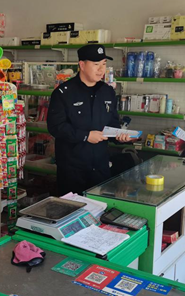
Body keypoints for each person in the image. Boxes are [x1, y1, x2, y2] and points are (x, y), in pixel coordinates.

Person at [47, 44, 132, 195]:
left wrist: (120, 136)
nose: (101, 69)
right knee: (72, 208)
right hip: (72, 169)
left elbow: (112, 122)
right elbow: (56, 126)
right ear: (82, 65)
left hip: (100, 167)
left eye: (104, 64)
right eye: (96, 64)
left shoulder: (107, 92)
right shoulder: (64, 93)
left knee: (100, 206)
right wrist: (86, 136)